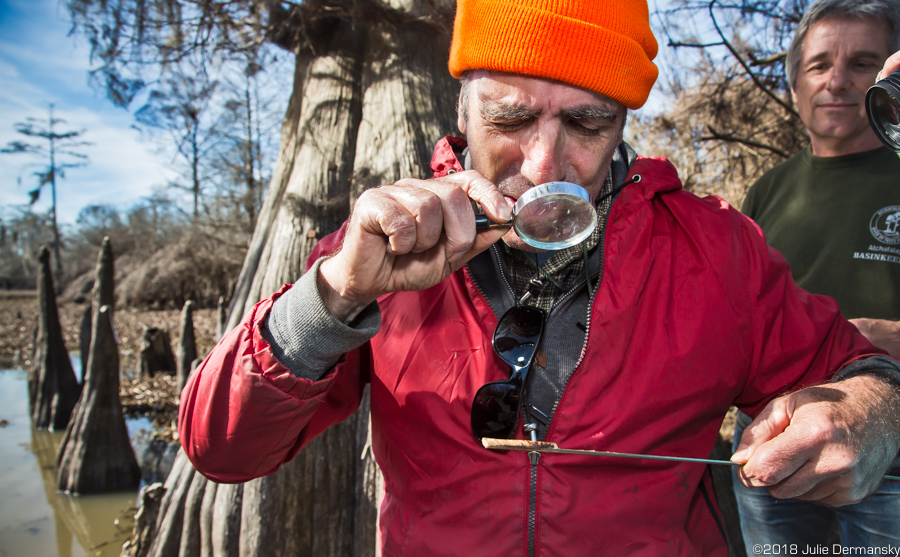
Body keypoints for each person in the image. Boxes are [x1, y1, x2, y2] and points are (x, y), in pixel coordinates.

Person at [178, 0, 900, 554]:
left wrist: (869, 412)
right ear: (461, 103)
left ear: (623, 122)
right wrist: (334, 293)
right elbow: (221, 448)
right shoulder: (378, 247)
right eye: (511, 117)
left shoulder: (715, 248)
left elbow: (855, 366)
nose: (545, 166)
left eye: (587, 124)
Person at [733, 0, 900, 550]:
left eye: (862, 64)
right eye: (820, 64)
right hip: (769, 441)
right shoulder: (767, 191)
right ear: (796, 87)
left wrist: (884, 341)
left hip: (889, 450)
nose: (838, 81)